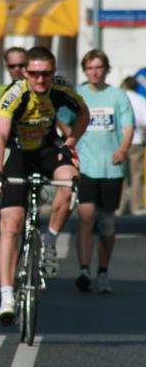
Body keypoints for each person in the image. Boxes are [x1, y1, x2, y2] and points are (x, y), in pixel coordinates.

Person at [0, 46, 89, 324]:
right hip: (19, 154)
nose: (41, 79)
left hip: (47, 149)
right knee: (11, 225)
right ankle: (7, 297)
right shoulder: (14, 94)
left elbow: (83, 113)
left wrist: (71, 142)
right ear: (26, 72)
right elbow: (0, 133)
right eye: (34, 73)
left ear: (53, 72)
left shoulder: (61, 88)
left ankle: (49, 241)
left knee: (70, 181)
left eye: (46, 73)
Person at [72, 51, 134, 293]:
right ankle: (84, 269)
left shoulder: (118, 96)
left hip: (111, 168)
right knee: (86, 215)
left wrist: (123, 149)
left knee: (106, 223)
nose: (94, 72)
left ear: (106, 69)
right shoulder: (78, 95)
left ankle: (103, 270)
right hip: (85, 165)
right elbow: (62, 118)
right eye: (90, 68)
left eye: (98, 67)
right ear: (85, 70)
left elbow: (128, 126)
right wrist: (70, 140)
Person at [120, 76, 146, 215]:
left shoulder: (119, 98)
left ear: (124, 85)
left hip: (120, 140)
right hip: (136, 140)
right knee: (136, 174)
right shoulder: (141, 100)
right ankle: (136, 206)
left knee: (121, 175)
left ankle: (119, 206)